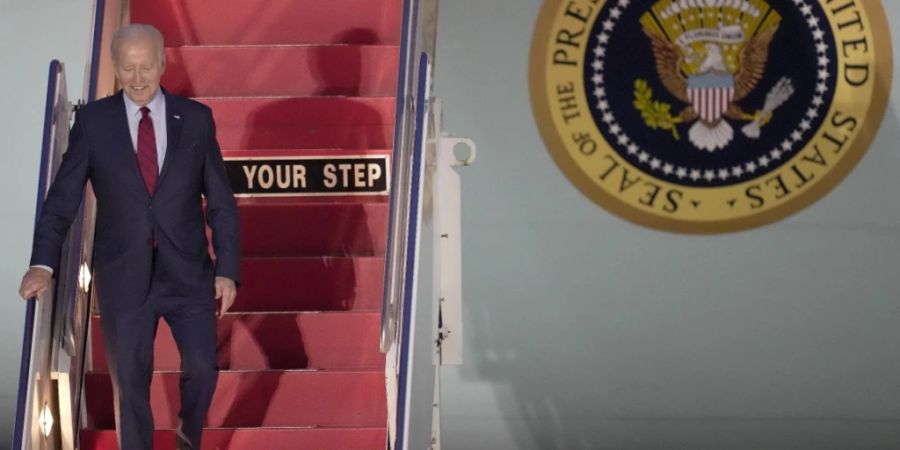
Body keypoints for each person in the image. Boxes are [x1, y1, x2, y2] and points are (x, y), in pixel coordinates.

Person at [18, 23, 240, 450]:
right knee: (131, 386)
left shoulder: (195, 120)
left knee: (203, 367)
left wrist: (227, 269)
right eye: (127, 69)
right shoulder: (94, 123)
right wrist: (43, 264)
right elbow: (63, 198)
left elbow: (220, 201)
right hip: (123, 278)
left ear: (162, 64)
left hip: (188, 272)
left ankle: (187, 435)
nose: (137, 79)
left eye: (146, 67)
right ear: (116, 69)